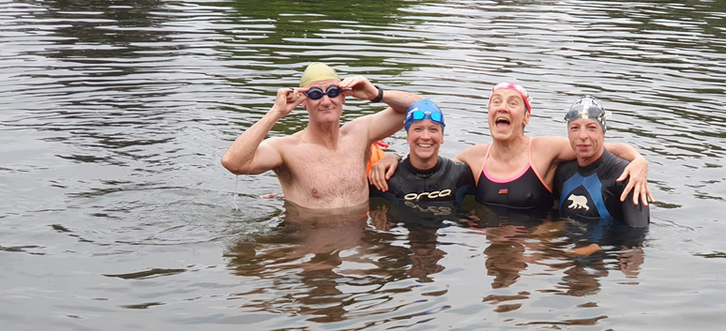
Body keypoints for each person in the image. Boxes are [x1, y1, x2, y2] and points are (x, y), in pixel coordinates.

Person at [371, 82, 654, 215]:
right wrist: (393, 157)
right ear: (489, 112)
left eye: (512, 103)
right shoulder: (473, 157)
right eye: (496, 102)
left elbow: (601, 148)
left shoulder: (545, 149)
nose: (503, 107)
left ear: (526, 117)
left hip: (537, 247)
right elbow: (430, 164)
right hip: (487, 243)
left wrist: (639, 160)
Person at [221, 62, 422, 209]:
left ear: (344, 97)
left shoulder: (361, 132)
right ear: (303, 101)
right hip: (308, 246)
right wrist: (276, 112)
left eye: (333, 92)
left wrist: (376, 94)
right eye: (316, 94)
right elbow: (233, 163)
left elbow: (422, 108)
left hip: (358, 243)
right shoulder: (285, 148)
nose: (326, 101)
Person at [553, 96, 650, 228]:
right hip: (571, 242)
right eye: (575, 128)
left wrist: (592, 248)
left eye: (591, 128)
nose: (582, 136)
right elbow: (552, 216)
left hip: (606, 246)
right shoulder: (562, 171)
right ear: (568, 134)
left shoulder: (626, 176)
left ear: (603, 133)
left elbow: (637, 237)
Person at [368, 98, 474, 210]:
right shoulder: (386, 178)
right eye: (418, 129)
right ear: (407, 135)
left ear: (442, 137)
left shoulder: (461, 174)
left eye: (433, 130)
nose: (425, 137)